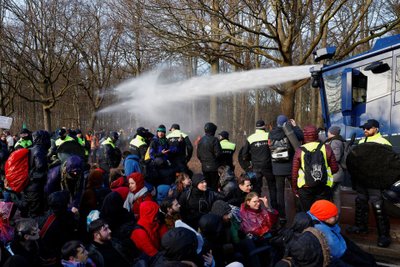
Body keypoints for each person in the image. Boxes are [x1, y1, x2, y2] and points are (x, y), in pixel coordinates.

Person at [347, 119, 392, 247]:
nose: (365, 130)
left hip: (375, 181)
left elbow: (388, 165)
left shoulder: (384, 143)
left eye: (368, 128)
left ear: (376, 129)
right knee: (360, 201)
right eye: (364, 128)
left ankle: (384, 235)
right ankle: (361, 227)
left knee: (377, 205)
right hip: (362, 179)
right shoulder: (362, 141)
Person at [308, 200, 377, 266]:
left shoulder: (317, 216)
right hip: (341, 251)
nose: (337, 217)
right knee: (362, 260)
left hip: (340, 242)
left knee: (364, 256)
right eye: (334, 216)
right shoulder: (323, 230)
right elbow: (339, 252)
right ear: (325, 218)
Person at [291, 125, 338, 211]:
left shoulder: (299, 150)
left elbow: (294, 173)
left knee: (308, 212)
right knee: (322, 212)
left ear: (304, 136)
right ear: (317, 135)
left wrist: (295, 188)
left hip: (305, 187)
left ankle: (311, 224)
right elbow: (335, 168)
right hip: (322, 186)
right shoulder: (326, 148)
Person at [268, 115, 303, 224]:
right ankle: (299, 213)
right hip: (290, 167)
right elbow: (301, 136)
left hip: (277, 168)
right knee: (295, 189)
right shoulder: (289, 131)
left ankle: (282, 216)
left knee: (280, 192)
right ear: (286, 122)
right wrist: (295, 126)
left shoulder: (271, 133)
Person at [241, 120, 276, 209]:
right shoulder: (269, 135)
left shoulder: (250, 138)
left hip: (256, 166)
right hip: (268, 166)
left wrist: (251, 159)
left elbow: (244, 155)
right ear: (264, 127)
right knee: (272, 187)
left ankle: (257, 208)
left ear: (256, 127)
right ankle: (275, 208)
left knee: (256, 187)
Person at [20, 130, 51, 218]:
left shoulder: (32, 149)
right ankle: (34, 229)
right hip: (35, 186)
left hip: (29, 184)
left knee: (30, 209)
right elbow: (40, 166)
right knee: (35, 212)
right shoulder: (39, 150)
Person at [324, 125, 346, 213]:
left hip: (334, 173)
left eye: (328, 131)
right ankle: (336, 214)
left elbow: (336, 157)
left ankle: (330, 214)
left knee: (329, 195)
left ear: (331, 132)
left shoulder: (335, 142)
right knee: (335, 195)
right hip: (337, 173)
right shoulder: (337, 140)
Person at [197, 122, 222, 191]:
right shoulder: (215, 140)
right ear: (213, 131)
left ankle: (207, 199)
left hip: (204, 167)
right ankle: (213, 199)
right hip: (214, 167)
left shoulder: (201, 140)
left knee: (206, 185)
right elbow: (218, 154)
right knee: (214, 186)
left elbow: (198, 155)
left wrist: (204, 161)